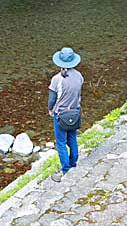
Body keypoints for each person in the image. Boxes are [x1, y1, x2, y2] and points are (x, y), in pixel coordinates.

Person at [47, 46, 84, 182]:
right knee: (72, 138)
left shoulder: (57, 79)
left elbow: (52, 99)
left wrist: (50, 109)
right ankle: (74, 162)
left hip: (61, 115)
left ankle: (65, 168)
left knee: (61, 142)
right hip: (75, 112)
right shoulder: (79, 76)